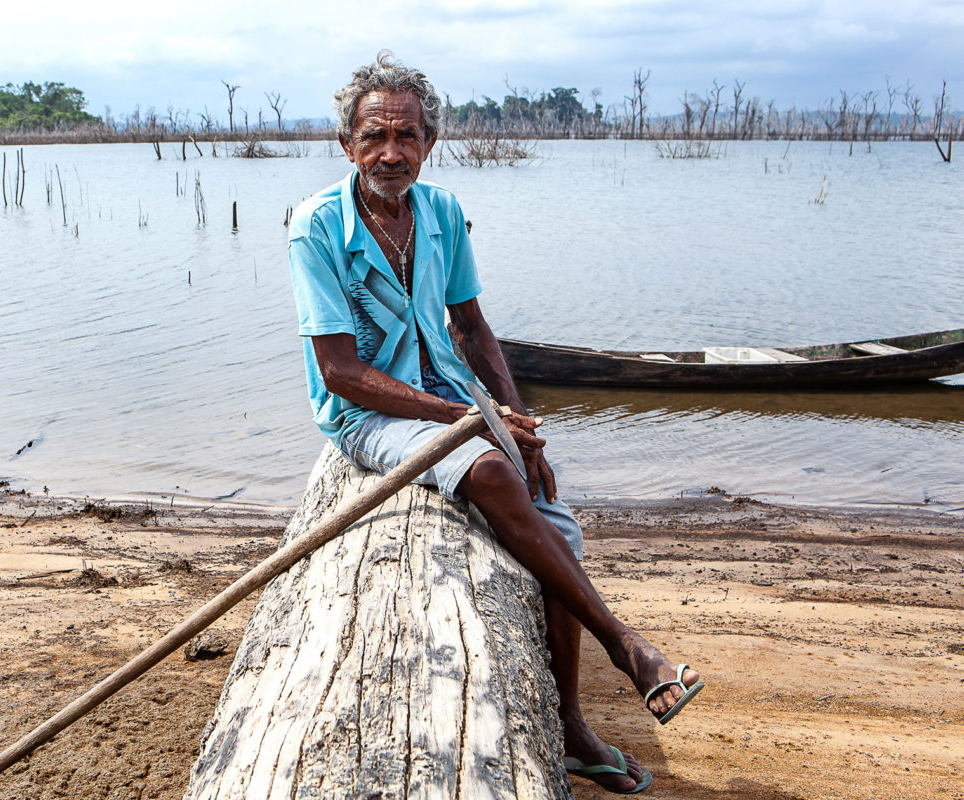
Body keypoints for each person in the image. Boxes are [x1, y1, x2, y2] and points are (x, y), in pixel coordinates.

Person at [287, 52, 704, 794]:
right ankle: (628, 646)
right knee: (483, 468)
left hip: (449, 393)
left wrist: (518, 422)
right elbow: (341, 373)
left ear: (429, 143)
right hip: (368, 413)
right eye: (376, 137)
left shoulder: (441, 212)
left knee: (556, 525)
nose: (392, 152)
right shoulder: (318, 227)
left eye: (407, 136)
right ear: (346, 145)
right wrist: (470, 423)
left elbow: (474, 330)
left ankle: (571, 728)